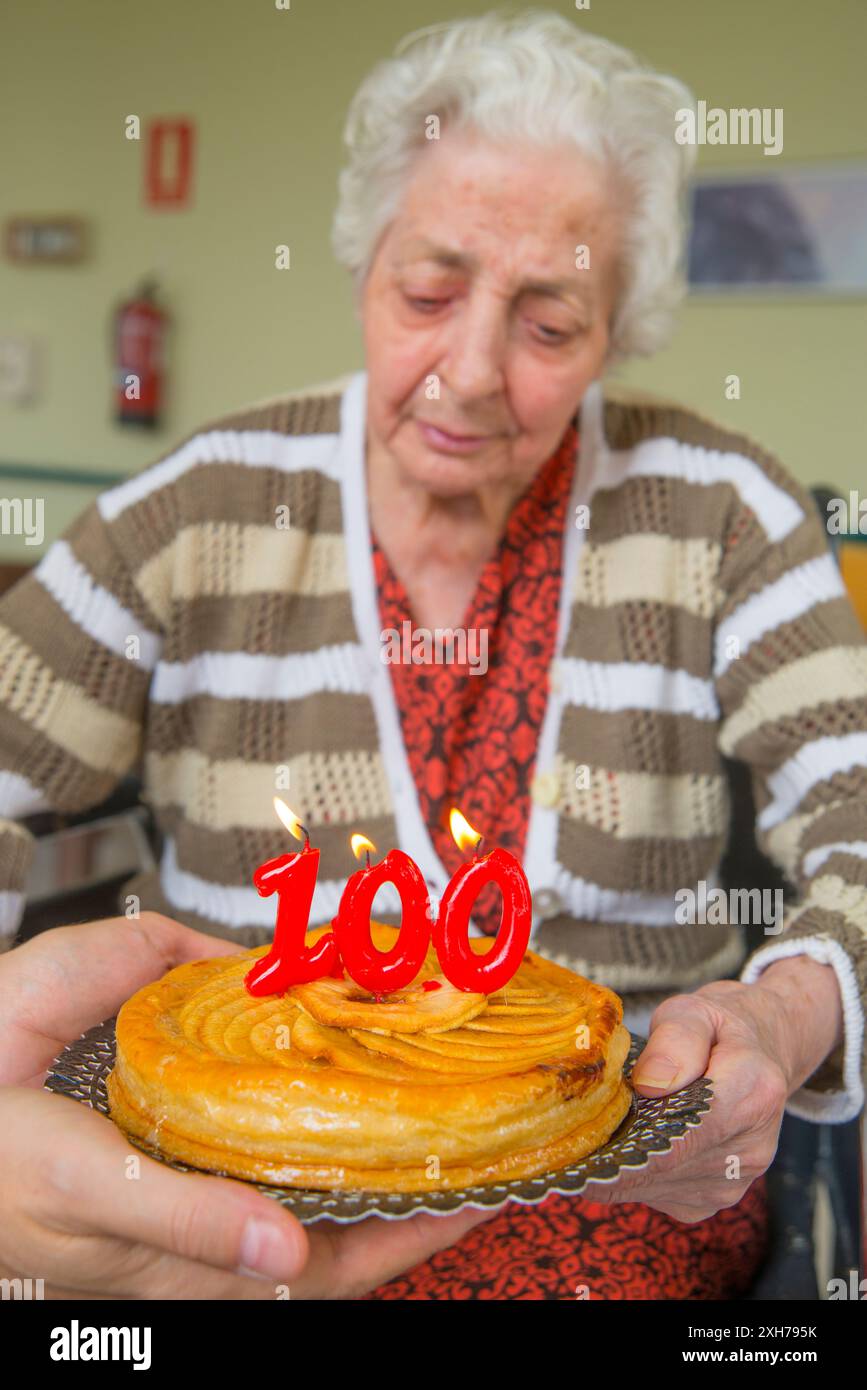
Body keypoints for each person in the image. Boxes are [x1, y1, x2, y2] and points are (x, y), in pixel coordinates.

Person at [0, 11, 864, 1300]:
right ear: (363, 262)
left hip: (628, 1207)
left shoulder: (724, 509)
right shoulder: (194, 512)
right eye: (428, 290)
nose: (466, 373)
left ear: (620, 328)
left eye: (549, 324)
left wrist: (787, 1014)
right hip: (225, 1219)